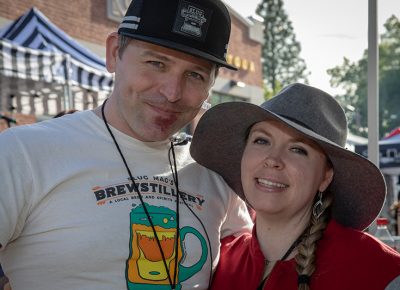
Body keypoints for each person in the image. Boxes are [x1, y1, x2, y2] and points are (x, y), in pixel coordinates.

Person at [0, 0, 252, 289]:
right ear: (114, 53)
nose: (172, 93)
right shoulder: (23, 151)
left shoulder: (213, 170)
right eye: (156, 63)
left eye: (195, 75)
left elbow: (253, 259)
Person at [190, 83, 400, 290]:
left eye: (298, 149)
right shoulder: (216, 261)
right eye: (262, 140)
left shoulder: (381, 271)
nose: (273, 159)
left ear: (325, 177)